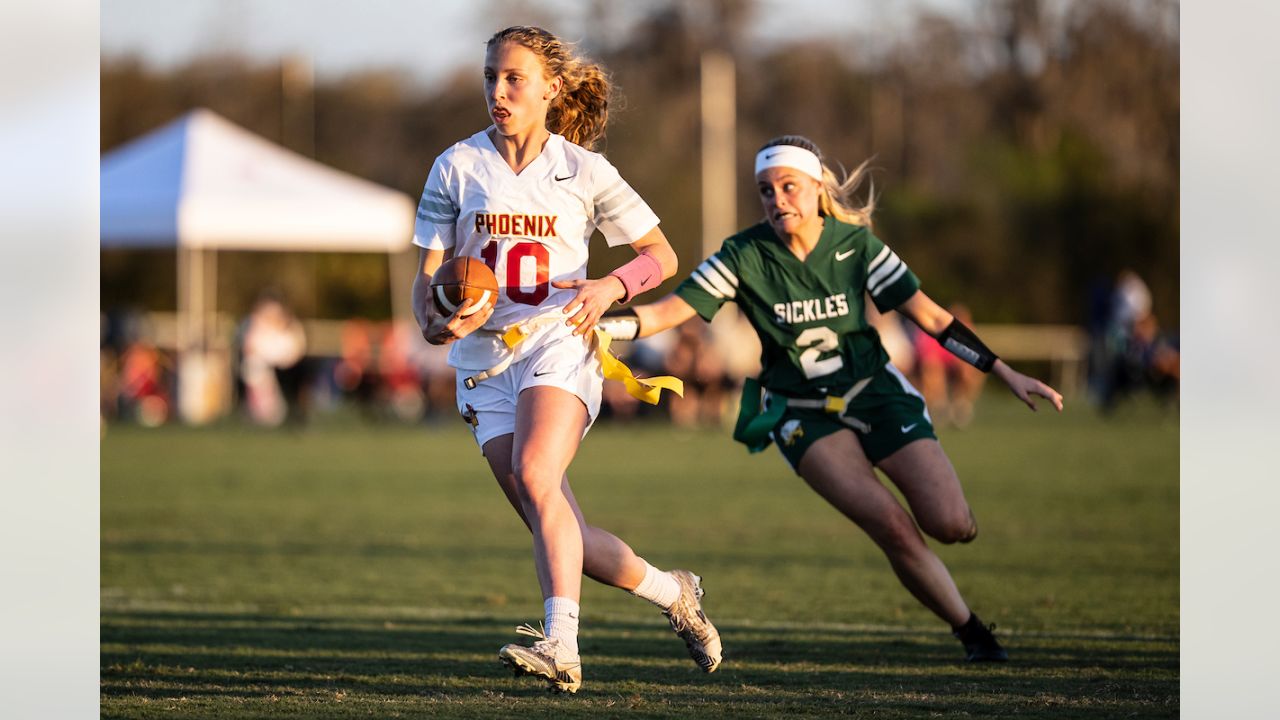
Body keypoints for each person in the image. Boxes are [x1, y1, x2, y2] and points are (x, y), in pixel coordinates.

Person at [602, 135, 1063, 662]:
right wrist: (602, 316)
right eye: (766, 190)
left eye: (789, 187)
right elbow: (667, 312)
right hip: (801, 414)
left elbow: (933, 318)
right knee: (892, 526)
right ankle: (973, 633)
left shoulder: (856, 246)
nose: (777, 199)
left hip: (876, 394)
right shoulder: (744, 254)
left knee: (951, 525)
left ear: (818, 189)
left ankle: (957, 552)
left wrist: (1002, 370)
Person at [409, 26, 721, 694]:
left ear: (550, 88)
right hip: (482, 363)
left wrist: (610, 286)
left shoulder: (584, 169)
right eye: (491, 75)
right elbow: (428, 278)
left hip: (560, 341)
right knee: (554, 519)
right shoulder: (455, 165)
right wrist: (435, 324)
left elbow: (661, 257)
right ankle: (674, 591)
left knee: (534, 471)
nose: (498, 90)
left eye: (514, 78)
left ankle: (562, 646)